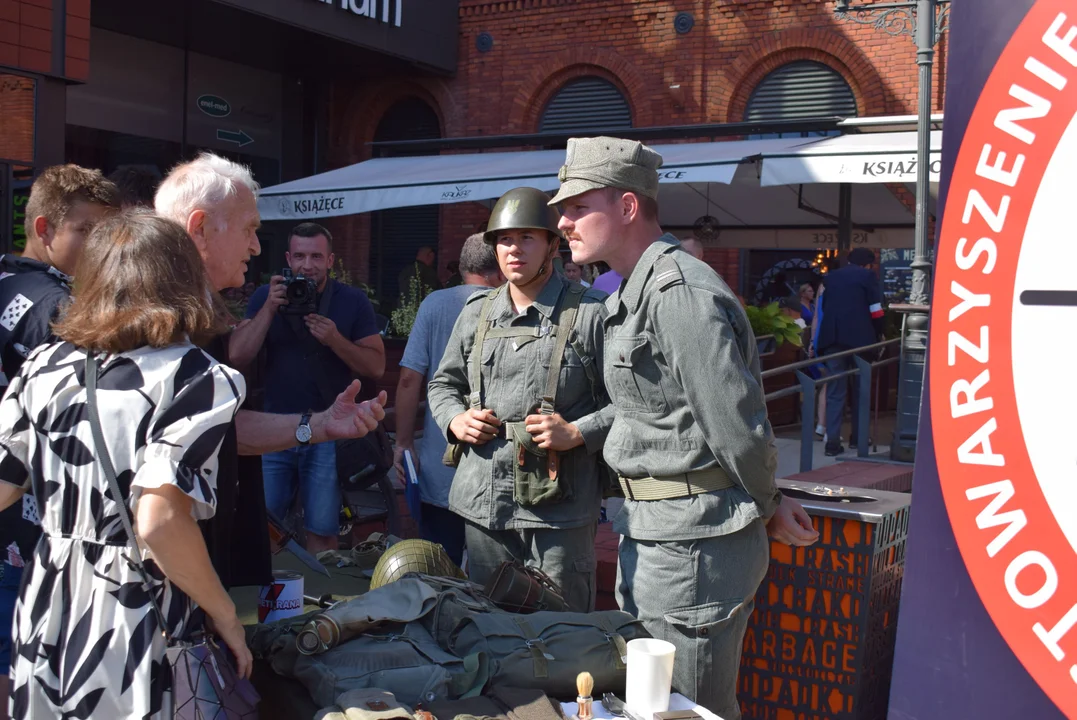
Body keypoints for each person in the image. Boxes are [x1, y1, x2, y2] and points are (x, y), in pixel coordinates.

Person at [550, 136, 819, 719]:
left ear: (626, 207)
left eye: (577, 206)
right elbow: (653, 408)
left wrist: (769, 503)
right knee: (654, 705)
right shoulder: (637, 290)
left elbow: (736, 425)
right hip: (660, 534)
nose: (563, 222)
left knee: (689, 709)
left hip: (693, 548)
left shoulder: (678, 293)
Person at [0, 211, 252, 719]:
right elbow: (158, 522)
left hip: (48, 600)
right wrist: (224, 613)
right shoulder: (196, 377)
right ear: (182, 279)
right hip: (133, 608)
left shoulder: (42, 367)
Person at [154, 152, 387, 589]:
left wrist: (319, 421)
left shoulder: (190, 309)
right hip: (168, 588)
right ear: (200, 229)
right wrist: (218, 608)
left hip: (202, 561)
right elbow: (157, 512)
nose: (255, 247)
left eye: (316, 257)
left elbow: (222, 426)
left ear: (330, 260)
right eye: (249, 230)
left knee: (315, 529)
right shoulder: (164, 321)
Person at [428, 187, 613, 613]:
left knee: (564, 633)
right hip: (485, 503)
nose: (514, 249)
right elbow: (443, 384)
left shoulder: (592, 313)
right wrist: (456, 420)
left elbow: (634, 402)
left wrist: (577, 432)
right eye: (504, 240)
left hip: (559, 508)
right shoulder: (476, 312)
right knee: (492, 628)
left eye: (527, 237)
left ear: (552, 244)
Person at [0, 164, 119, 718]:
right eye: (87, 232)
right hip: (23, 532)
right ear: (45, 227)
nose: (99, 247)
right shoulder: (41, 302)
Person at [229, 222, 386, 553]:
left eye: (316, 256)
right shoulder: (267, 296)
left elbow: (376, 365)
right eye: (299, 256)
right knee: (264, 528)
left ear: (330, 261)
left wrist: (335, 339)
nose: (307, 266)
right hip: (273, 430)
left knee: (323, 530)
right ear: (288, 258)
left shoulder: (351, 301)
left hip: (327, 431)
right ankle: (266, 599)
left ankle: (322, 601)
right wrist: (269, 307)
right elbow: (237, 355)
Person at [393, 233, 503, 565]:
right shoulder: (511, 304)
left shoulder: (434, 304)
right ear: (498, 267)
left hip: (440, 464)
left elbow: (410, 379)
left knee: (440, 572)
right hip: (496, 470)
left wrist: (402, 442)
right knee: (499, 581)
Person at [815, 247, 885, 456]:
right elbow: (876, 310)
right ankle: (858, 438)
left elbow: (826, 308)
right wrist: (879, 334)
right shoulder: (867, 276)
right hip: (861, 341)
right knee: (861, 391)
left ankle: (832, 443)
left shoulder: (831, 277)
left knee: (836, 392)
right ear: (868, 264)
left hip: (833, 340)